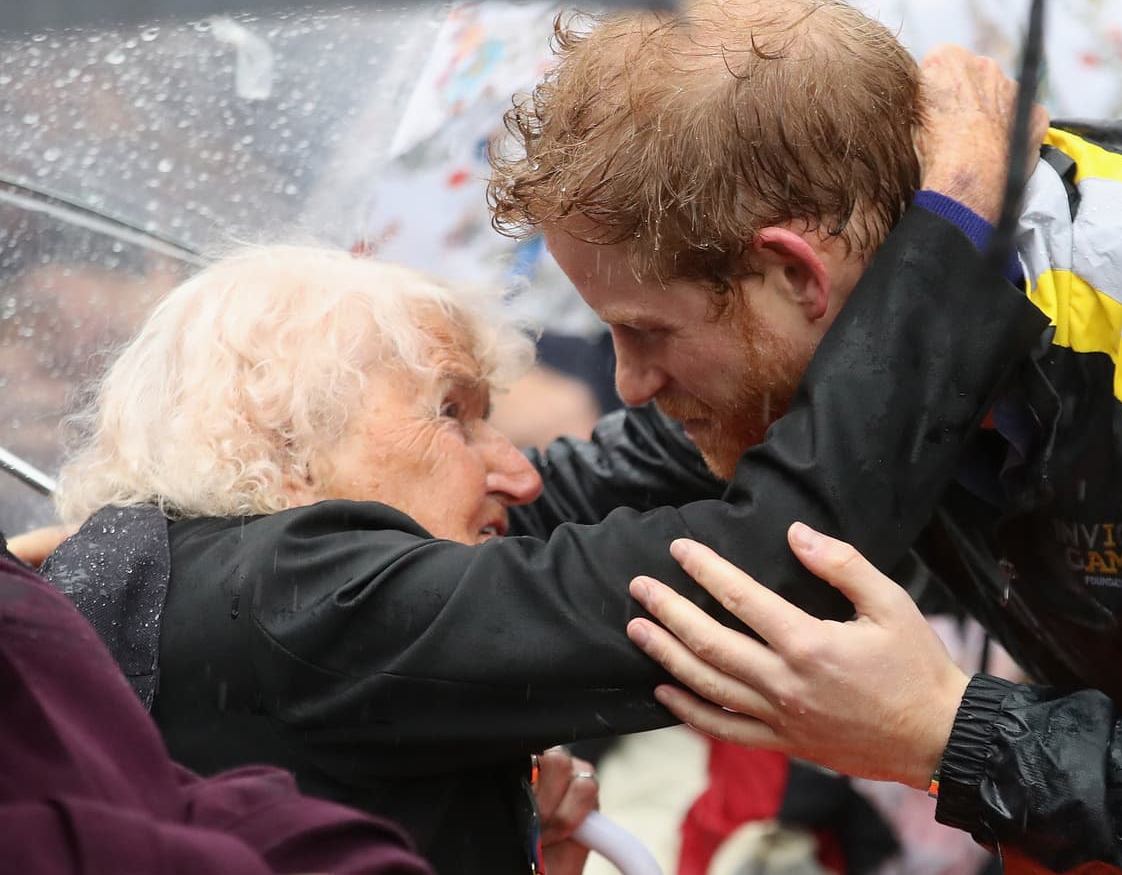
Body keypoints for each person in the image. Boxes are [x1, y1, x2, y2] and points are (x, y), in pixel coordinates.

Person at [487, 0, 1122, 873]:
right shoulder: (818, 343)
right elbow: (573, 510)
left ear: (796, 275)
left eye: (646, 330)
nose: (626, 382)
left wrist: (947, 731)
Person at [40, 212, 1042, 874]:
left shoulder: (174, 578)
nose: (515, 471)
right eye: (454, 412)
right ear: (285, 437)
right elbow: (762, 567)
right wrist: (951, 229)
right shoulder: (294, 587)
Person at [0, 534, 433, 875]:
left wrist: (334, 853)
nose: (504, 473)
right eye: (447, 417)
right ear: (292, 459)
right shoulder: (292, 564)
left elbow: (135, 786)